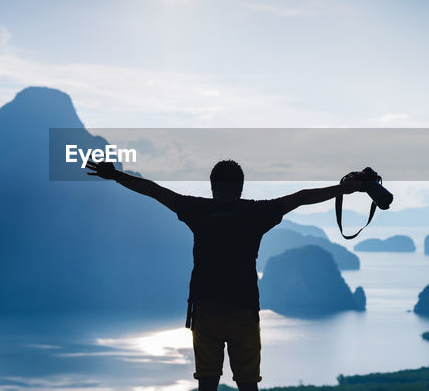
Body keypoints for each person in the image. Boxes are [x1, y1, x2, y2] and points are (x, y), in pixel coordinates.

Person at [85, 159, 364, 390]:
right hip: (244, 311)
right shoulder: (257, 212)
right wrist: (346, 189)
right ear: (241, 188)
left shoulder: (198, 209)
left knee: (207, 384)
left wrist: (115, 175)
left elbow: (155, 191)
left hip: (206, 311)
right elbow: (303, 198)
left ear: (212, 186)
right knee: (248, 385)